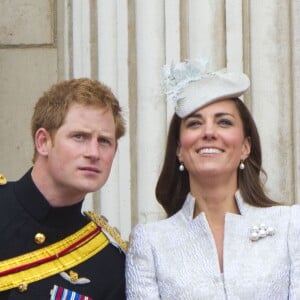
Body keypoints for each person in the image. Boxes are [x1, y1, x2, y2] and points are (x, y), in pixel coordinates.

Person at [126, 58, 300, 299]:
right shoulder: (150, 241)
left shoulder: (291, 225)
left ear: (245, 147)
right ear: (178, 149)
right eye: (195, 123)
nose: (208, 132)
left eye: (224, 122)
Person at [0, 78, 127, 299]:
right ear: (43, 142)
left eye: (105, 141)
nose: (94, 153)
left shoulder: (108, 262)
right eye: (80, 137)